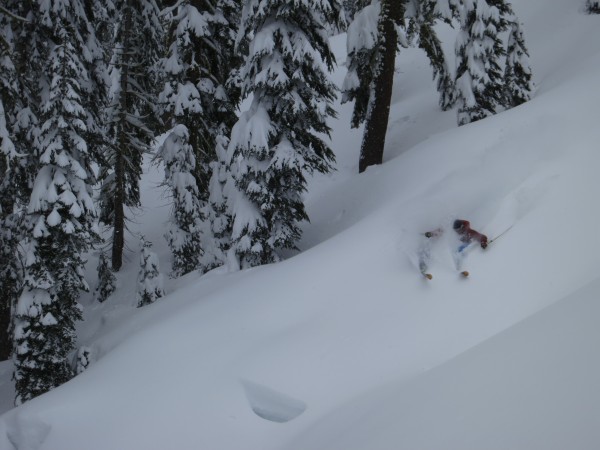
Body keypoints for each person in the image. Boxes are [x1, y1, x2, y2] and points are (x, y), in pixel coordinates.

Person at [418, 219, 488, 278]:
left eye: (458, 229)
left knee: (458, 252)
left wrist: (483, 242)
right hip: (455, 245)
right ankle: (423, 263)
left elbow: (481, 236)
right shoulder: (451, 229)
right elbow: (439, 231)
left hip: (464, 245)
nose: (457, 231)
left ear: (462, 227)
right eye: (455, 229)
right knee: (444, 249)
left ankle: (459, 268)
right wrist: (430, 234)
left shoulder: (468, 231)